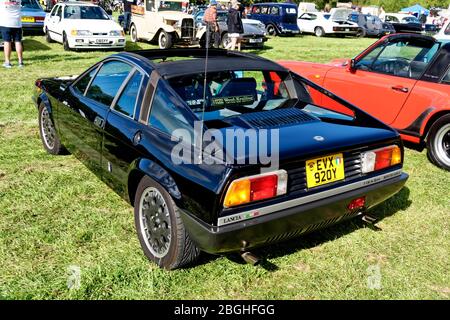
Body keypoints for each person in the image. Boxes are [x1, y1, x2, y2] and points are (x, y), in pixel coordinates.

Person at [0, 0, 23, 68]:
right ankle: (20, 62)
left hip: (5, 23)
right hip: (17, 23)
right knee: (18, 42)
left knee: (7, 42)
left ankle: (7, 62)